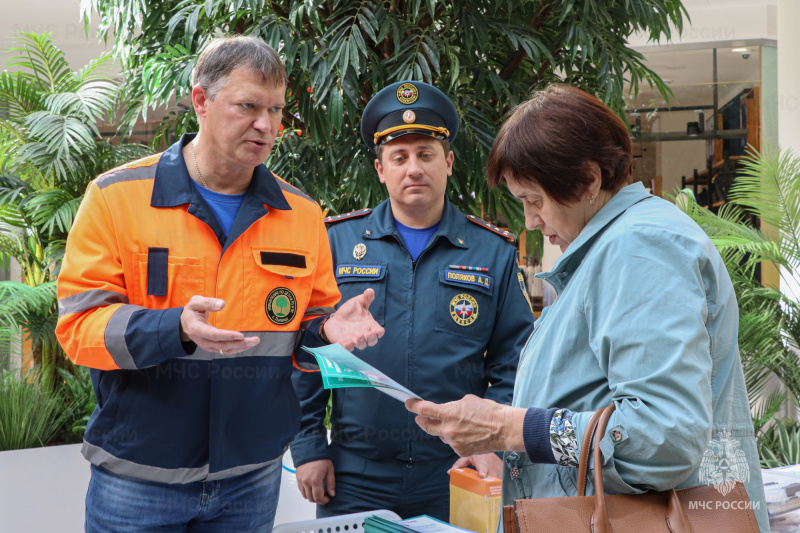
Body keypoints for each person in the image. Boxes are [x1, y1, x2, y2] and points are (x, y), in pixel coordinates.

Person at [406, 84, 769, 532]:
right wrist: (507, 443)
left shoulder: (640, 248)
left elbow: (663, 437)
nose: (531, 222)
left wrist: (510, 429)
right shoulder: (616, 245)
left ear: (590, 180)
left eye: (535, 201)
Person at [55, 36, 383, 532]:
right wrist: (176, 329)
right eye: (248, 106)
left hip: (251, 479)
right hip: (139, 479)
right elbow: (79, 326)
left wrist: (328, 332)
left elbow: (303, 330)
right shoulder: (114, 198)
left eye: (275, 109)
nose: (266, 125)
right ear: (201, 101)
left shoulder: (302, 214)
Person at [290, 81, 534, 520]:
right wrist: (308, 446)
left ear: (449, 162)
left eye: (426, 154)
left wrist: (491, 444)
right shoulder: (336, 242)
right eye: (399, 158)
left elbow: (513, 361)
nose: (413, 169)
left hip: (456, 467)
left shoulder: (491, 251)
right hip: (353, 471)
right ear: (381, 169)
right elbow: (307, 351)